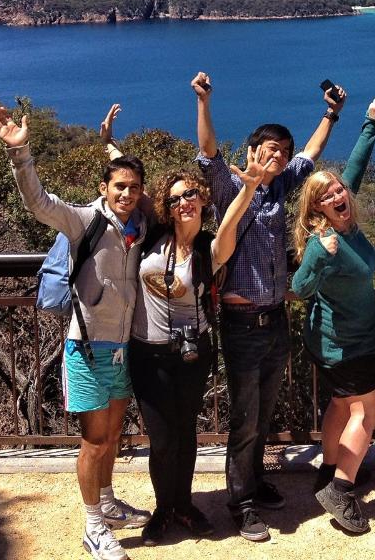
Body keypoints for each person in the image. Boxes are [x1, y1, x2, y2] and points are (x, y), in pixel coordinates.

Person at [0, 105, 152, 560]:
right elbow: (39, 203)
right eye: (119, 186)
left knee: (114, 433)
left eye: (133, 188)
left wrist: (111, 144)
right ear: (104, 188)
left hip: (120, 348)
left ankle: (106, 502)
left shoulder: (137, 228)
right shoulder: (85, 220)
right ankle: (93, 526)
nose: (127, 193)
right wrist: (20, 152)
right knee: (95, 440)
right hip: (85, 348)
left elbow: (133, 179)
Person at [193, 71, 346, 543]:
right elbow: (208, 153)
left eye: (282, 149)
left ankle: (255, 482)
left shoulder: (281, 188)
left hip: (275, 321)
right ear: (253, 150)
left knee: (264, 413)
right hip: (240, 324)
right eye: (269, 148)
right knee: (243, 416)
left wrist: (331, 113)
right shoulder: (229, 188)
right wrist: (204, 102)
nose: (277, 155)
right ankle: (239, 502)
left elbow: (312, 154)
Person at [128, 148, 266, 546]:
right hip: (147, 352)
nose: (183, 202)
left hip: (192, 354)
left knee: (186, 433)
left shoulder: (208, 248)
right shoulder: (153, 236)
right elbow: (129, 187)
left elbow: (233, 221)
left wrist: (250, 186)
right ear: (166, 208)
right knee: (161, 438)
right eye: (175, 198)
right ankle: (163, 508)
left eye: (190, 194)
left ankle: (183, 505)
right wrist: (110, 144)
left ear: (203, 199)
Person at [289, 98, 375, 534]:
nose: (337, 195)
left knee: (341, 404)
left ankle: (329, 469)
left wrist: (372, 123)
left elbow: (355, 168)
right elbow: (298, 289)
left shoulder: (344, 218)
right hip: (345, 342)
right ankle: (341, 488)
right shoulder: (323, 240)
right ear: (317, 211)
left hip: (336, 341)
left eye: (338, 190)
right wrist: (318, 259)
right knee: (366, 414)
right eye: (327, 196)